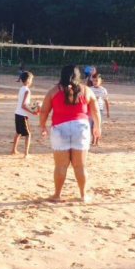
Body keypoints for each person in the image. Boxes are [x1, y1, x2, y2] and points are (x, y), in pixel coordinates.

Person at [39, 65, 101, 203]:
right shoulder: (86, 90)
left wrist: (42, 126)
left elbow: (44, 111)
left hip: (60, 128)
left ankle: (57, 195)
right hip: (81, 128)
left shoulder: (54, 91)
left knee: (61, 166)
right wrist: (97, 127)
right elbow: (95, 111)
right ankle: (83, 195)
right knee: (80, 166)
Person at [12, 71, 39, 157]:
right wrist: (33, 112)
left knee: (18, 132)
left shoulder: (21, 89)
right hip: (22, 115)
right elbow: (23, 105)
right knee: (28, 134)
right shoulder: (27, 91)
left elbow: (24, 104)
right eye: (31, 79)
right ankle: (26, 154)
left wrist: (32, 107)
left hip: (17, 113)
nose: (31, 81)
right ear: (28, 80)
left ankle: (13, 150)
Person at [89, 74, 110, 146]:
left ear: (100, 81)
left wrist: (108, 112)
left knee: (98, 125)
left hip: (99, 110)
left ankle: (97, 140)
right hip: (91, 110)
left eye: (97, 81)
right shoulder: (90, 89)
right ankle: (93, 138)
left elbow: (106, 101)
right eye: (94, 81)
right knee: (91, 126)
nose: (95, 82)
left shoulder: (103, 90)